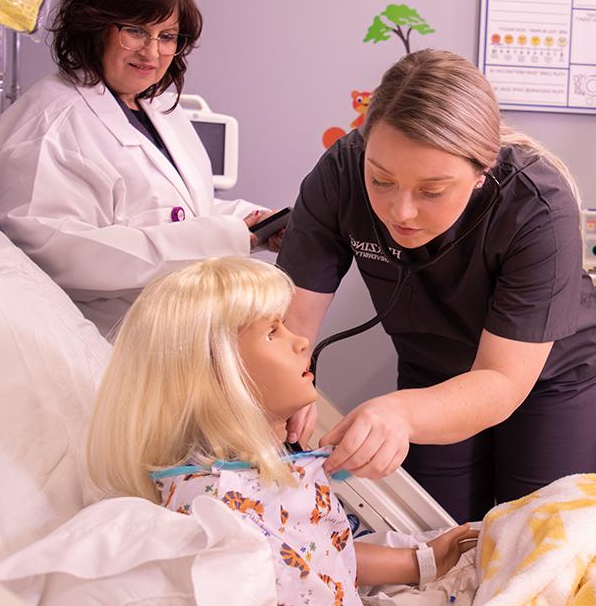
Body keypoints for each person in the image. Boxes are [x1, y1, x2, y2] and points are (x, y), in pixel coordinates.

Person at [276, 49, 596, 522]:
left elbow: (502, 379)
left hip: (547, 379)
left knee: (533, 534)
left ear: (481, 173)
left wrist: (400, 414)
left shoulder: (537, 203)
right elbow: (292, 322)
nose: (401, 212)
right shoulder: (340, 174)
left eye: (432, 191)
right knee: (438, 533)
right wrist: (288, 389)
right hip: (432, 370)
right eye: (381, 181)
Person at [87, 257, 475, 603]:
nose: (302, 340)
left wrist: (423, 561)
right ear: (218, 375)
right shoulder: (218, 510)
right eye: (273, 332)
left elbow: (319, 554)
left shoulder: (258, 468)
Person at [0, 0, 274, 337]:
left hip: (170, 332)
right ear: (96, 24)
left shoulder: (157, 106)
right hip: (96, 339)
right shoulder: (50, 120)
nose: (152, 52)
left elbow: (181, 209)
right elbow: (56, 252)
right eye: (136, 30)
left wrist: (253, 222)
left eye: (167, 37)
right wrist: (225, 238)